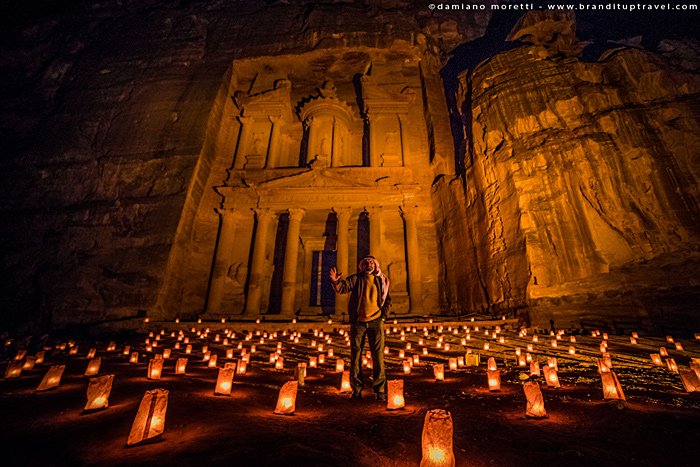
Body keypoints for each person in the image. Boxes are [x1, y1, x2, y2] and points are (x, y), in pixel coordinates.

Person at [330, 256, 391, 401]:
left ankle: (379, 390)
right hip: (358, 322)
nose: (368, 264)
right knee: (356, 356)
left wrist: (383, 317)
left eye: (371, 262)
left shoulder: (382, 280)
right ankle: (356, 390)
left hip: (376, 322)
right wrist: (335, 281)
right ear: (361, 266)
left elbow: (387, 299)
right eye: (365, 262)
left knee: (378, 356)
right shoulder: (356, 279)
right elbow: (342, 288)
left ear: (375, 265)